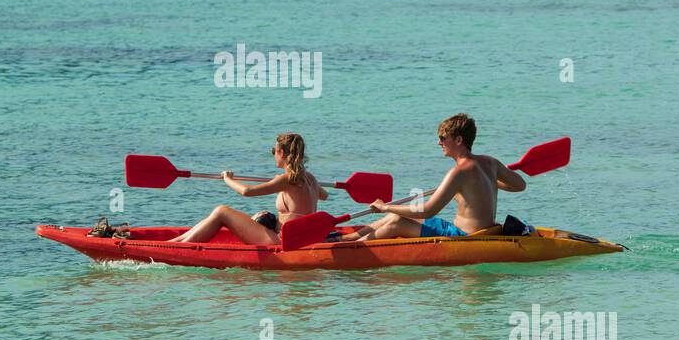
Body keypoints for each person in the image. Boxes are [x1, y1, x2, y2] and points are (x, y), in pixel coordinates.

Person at [341, 113, 525, 241]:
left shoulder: (458, 172)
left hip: (464, 236)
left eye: (443, 138)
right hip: (484, 231)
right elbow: (520, 185)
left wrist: (385, 206)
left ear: (459, 140)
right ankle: (346, 237)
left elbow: (427, 211)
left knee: (396, 221)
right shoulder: (490, 163)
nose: (439, 142)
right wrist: (490, 182)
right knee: (390, 218)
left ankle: (352, 248)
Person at [170, 133, 327, 244]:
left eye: (274, 151)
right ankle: (175, 242)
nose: (274, 155)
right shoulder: (311, 179)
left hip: (282, 242)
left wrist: (228, 179)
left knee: (221, 211)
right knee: (220, 214)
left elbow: (247, 191)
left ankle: (179, 247)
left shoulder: (285, 180)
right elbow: (324, 195)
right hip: (300, 239)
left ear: (281, 153)